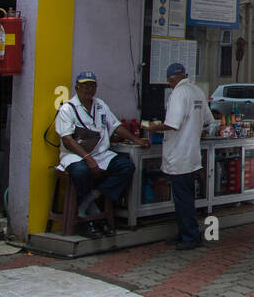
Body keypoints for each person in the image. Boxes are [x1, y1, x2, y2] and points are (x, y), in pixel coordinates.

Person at [57, 70, 147, 237]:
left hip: (100, 154)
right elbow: (67, 140)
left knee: (126, 167)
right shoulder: (67, 109)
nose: (89, 89)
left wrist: (137, 140)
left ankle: (92, 198)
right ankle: (92, 219)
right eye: (85, 85)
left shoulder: (100, 105)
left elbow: (116, 126)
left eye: (92, 85)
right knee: (82, 171)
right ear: (77, 88)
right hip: (76, 155)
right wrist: (87, 158)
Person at [145, 63, 212, 250]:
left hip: (180, 154)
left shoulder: (178, 93)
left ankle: (190, 236)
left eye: (171, 81)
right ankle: (185, 232)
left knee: (183, 198)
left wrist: (154, 127)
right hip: (191, 154)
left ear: (169, 80)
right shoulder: (197, 91)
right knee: (186, 196)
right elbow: (208, 120)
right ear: (186, 74)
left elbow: (172, 124)